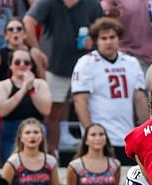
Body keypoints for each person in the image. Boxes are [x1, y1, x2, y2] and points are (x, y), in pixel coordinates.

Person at [23, 0, 104, 157]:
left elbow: (102, 28)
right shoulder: (47, 2)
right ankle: (52, 152)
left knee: (91, 107)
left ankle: (93, 153)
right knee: (52, 111)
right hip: (55, 65)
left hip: (86, 67)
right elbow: (28, 21)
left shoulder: (92, 4)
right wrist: (35, 49)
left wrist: (94, 40)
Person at [71, 17, 150, 165]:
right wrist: (90, 134)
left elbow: (140, 100)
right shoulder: (86, 63)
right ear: (96, 40)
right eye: (103, 38)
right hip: (100, 139)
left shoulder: (131, 63)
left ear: (119, 39)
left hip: (127, 136)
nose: (108, 42)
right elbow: (80, 101)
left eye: (112, 37)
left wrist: (146, 133)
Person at [0, 49, 53, 166]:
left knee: (37, 166)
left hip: (36, 128)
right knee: (10, 167)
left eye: (26, 62)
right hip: (11, 130)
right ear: (10, 65)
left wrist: (31, 90)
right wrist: (23, 89)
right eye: (17, 62)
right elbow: (2, 111)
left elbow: (46, 110)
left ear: (31, 66)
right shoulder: (3, 85)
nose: (22, 65)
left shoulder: (40, 84)